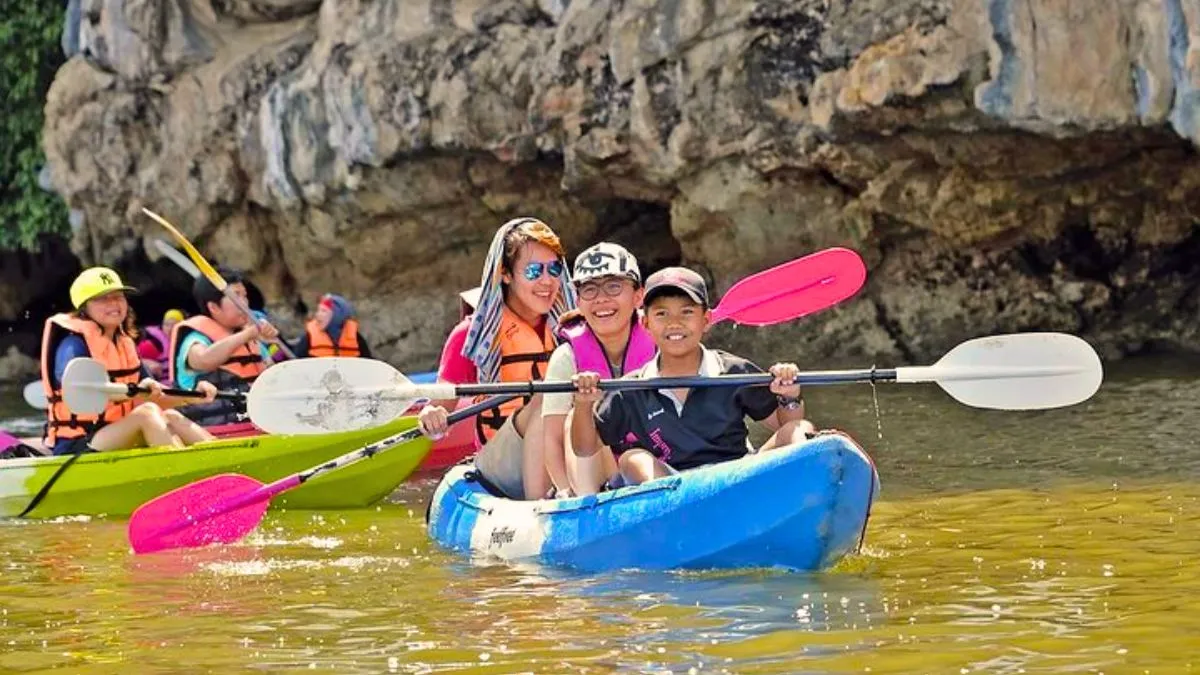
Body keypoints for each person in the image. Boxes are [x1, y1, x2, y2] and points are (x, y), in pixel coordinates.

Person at [568, 267, 815, 488]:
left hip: (739, 476)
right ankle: (676, 510)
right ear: (645, 323)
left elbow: (783, 424)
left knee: (800, 430)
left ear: (706, 320)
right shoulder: (631, 388)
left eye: (686, 312)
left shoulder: (732, 371)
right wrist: (583, 404)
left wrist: (789, 396)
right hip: (672, 487)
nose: (674, 323)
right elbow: (585, 447)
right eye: (662, 314)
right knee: (633, 459)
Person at [417, 217, 576, 500]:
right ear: (505, 274)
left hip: (565, 450)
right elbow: (441, 406)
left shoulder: (572, 330)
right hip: (502, 463)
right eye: (533, 271)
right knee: (545, 396)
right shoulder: (473, 335)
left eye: (554, 269)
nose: (547, 281)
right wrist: (432, 415)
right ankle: (538, 507)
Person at [39, 267, 217, 455]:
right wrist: (131, 393)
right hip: (77, 443)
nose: (114, 304)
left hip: (116, 432)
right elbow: (75, 389)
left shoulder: (124, 344)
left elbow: (155, 395)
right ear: (84, 307)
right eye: (103, 298)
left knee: (170, 416)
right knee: (147, 413)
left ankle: (223, 461)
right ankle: (187, 471)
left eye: (118, 297)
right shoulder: (73, 345)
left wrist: (191, 396)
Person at [541, 243, 656, 497]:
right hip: (595, 472)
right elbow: (552, 439)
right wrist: (562, 489)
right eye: (589, 290)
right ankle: (587, 501)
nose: (602, 299)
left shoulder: (661, 342)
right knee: (577, 417)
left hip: (653, 459)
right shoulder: (566, 357)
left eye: (614, 286)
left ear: (638, 296)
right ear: (579, 301)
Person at [168, 267, 279, 426]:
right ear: (214, 307)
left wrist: (270, 341)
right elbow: (203, 360)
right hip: (211, 431)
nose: (245, 303)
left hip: (255, 424)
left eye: (244, 296)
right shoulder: (195, 339)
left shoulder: (252, 342)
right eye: (236, 296)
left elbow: (273, 377)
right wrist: (246, 335)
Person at [291, 294, 372, 358]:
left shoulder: (356, 338)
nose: (317, 315)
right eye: (318, 310)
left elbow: (369, 364)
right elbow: (293, 359)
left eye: (324, 311)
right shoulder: (309, 338)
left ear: (337, 315)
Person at [136, 308, 184, 381]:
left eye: (174, 325)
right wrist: (147, 363)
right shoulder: (154, 343)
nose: (170, 329)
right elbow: (134, 360)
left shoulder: (187, 340)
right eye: (167, 325)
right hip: (161, 384)